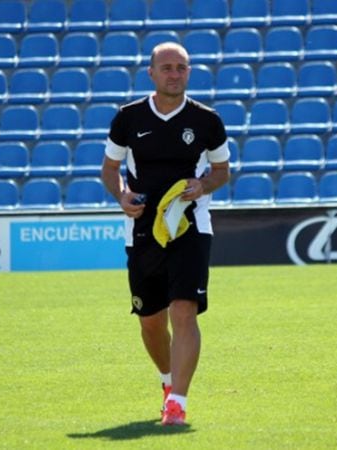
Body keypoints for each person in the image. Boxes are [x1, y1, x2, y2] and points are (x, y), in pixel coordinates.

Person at [101, 42, 230, 426]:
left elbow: (222, 172)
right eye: (167, 67)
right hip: (142, 229)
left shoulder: (208, 120)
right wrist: (122, 194)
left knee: (184, 311)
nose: (175, 73)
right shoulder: (127, 117)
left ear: (189, 72)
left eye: (182, 67)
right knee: (151, 321)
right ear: (152, 73)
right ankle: (166, 380)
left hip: (191, 226)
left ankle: (178, 402)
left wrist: (202, 186)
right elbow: (110, 169)